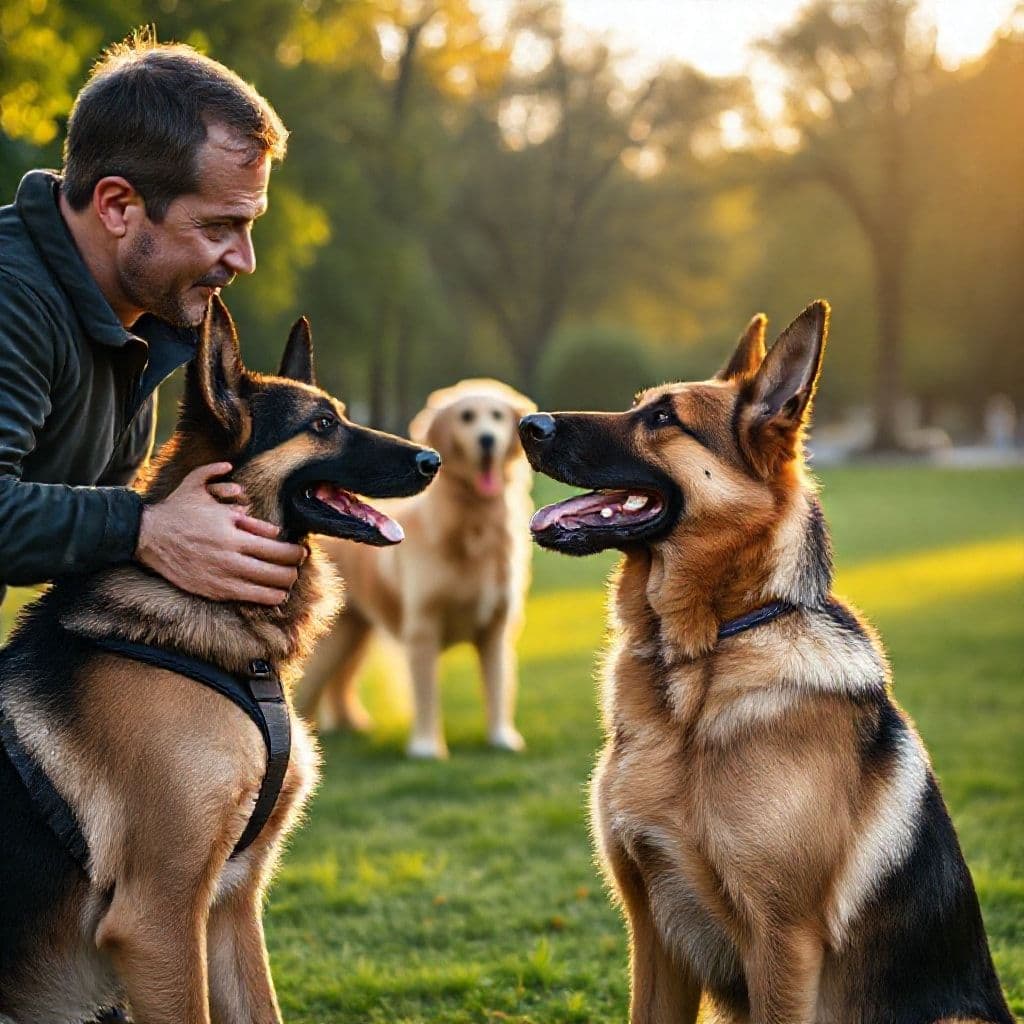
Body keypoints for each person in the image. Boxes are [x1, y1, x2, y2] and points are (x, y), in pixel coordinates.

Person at [0, 35, 308, 623]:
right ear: (117, 206)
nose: (245, 260)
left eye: (250, 225)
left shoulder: (144, 319)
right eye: (218, 227)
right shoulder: (11, 297)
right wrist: (145, 527)